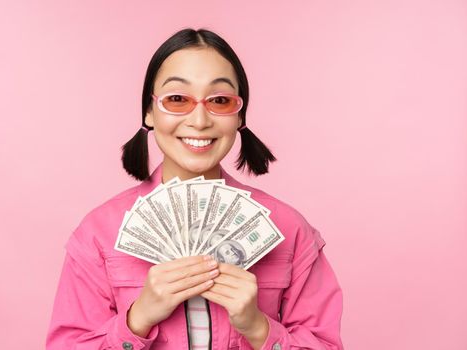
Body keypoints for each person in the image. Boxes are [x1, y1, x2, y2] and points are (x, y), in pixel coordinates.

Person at [46, 27, 344, 350]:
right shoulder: (97, 237)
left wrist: (259, 328)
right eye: (177, 99)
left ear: (239, 114)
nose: (200, 120)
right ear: (149, 110)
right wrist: (137, 320)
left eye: (219, 100)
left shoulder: (290, 231)